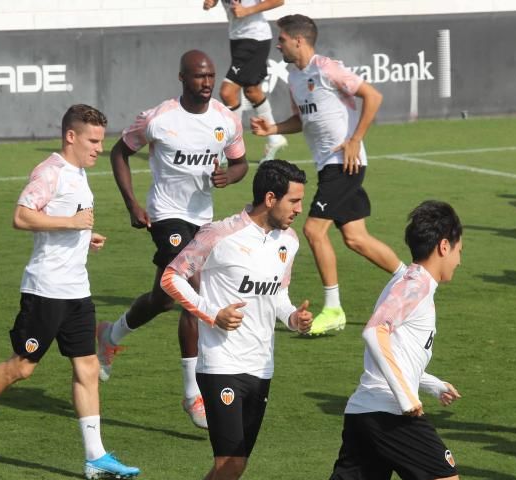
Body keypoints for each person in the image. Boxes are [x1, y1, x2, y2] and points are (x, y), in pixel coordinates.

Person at [236, 200, 492, 480]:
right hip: (390, 414)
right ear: (444, 246)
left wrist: (428, 383)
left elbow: (399, 351)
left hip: (366, 412)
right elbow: (374, 332)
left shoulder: (413, 284)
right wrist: (407, 395)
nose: (461, 259)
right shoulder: (414, 283)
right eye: (461, 250)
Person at [0, 105, 139, 480]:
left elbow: (64, 223)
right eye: (93, 140)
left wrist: (84, 236)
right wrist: (71, 224)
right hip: (45, 290)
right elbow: (21, 215)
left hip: (77, 290)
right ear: (71, 136)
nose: (100, 147)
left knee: (87, 369)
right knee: (22, 368)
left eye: (102, 140)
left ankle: (95, 456)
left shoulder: (79, 173)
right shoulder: (50, 172)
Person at [157, 159, 312, 480]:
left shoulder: (289, 241)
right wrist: (212, 313)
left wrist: (295, 319)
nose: (298, 209)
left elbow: (278, 294)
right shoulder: (219, 235)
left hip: (261, 367)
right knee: (229, 467)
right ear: (270, 198)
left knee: (231, 466)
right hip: (221, 363)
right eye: (294, 200)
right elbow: (172, 277)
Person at [100, 50, 249, 429]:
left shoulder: (226, 120)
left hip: (202, 220)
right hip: (166, 215)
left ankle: (109, 334)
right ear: (182, 77)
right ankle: (192, 393)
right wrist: (132, 204)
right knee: (193, 291)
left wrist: (229, 178)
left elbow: (240, 163)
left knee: (163, 298)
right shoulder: (159, 118)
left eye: (211, 75)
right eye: (199, 76)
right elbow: (118, 152)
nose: (206, 82)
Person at [251, 13, 404, 337]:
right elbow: (301, 119)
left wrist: (355, 140)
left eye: (281, 40)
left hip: (343, 164)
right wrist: (274, 127)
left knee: (313, 230)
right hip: (328, 166)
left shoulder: (326, 68)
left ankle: (334, 309)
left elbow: (373, 96)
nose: (277, 45)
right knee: (356, 238)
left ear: (298, 40)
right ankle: (410, 284)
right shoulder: (295, 78)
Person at [202, 0, 288, 162]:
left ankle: (232, 147)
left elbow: (278, 1)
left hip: (254, 38)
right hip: (237, 38)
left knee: (227, 92)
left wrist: (247, 11)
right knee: (252, 91)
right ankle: (274, 138)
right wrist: (210, 3)